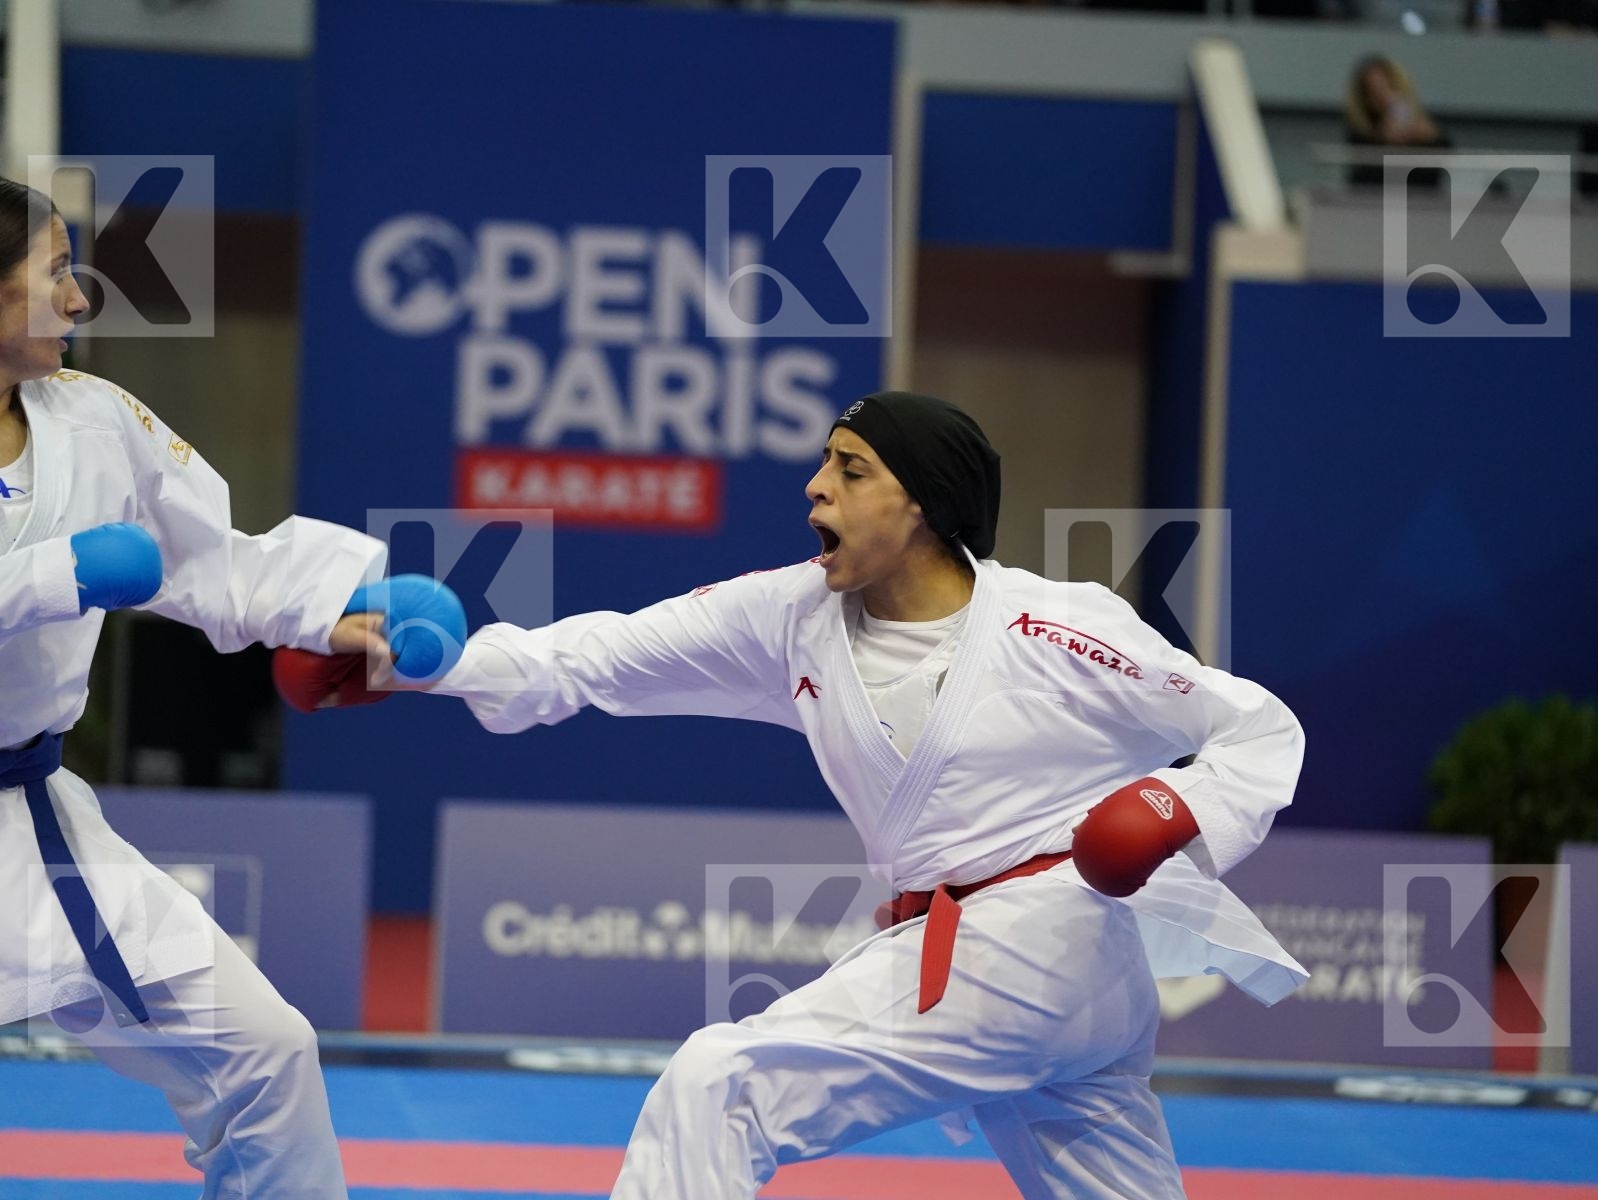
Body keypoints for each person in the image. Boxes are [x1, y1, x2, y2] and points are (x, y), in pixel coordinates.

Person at [300, 390, 1306, 1198]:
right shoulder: (793, 615)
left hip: (1043, 941)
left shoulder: (1055, 628)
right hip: (1020, 974)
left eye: (850, 469)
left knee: (719, 1085)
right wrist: (418, 665)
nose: (816, 486)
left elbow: (1257, 727)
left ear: (920, 504)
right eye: (825, 462)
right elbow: (597, 656)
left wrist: (1174, 810)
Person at [0, 177, 464, 1199]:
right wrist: (52, 576)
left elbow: (212, 560)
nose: (78, 298)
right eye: (54, 272)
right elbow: (65, 577)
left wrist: (336, 609)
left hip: (32, 825)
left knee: (266, 1050)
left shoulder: (94, 420)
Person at [1344, 56, 1451, 188]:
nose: (1383, 96)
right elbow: (1363, 176)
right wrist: (1386, 142)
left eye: (1388, 86)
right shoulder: (1359, 136)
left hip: (1419, 198)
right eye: (1373, 91)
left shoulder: (1424, 128)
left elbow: (1442, 166)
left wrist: (1429, 139)